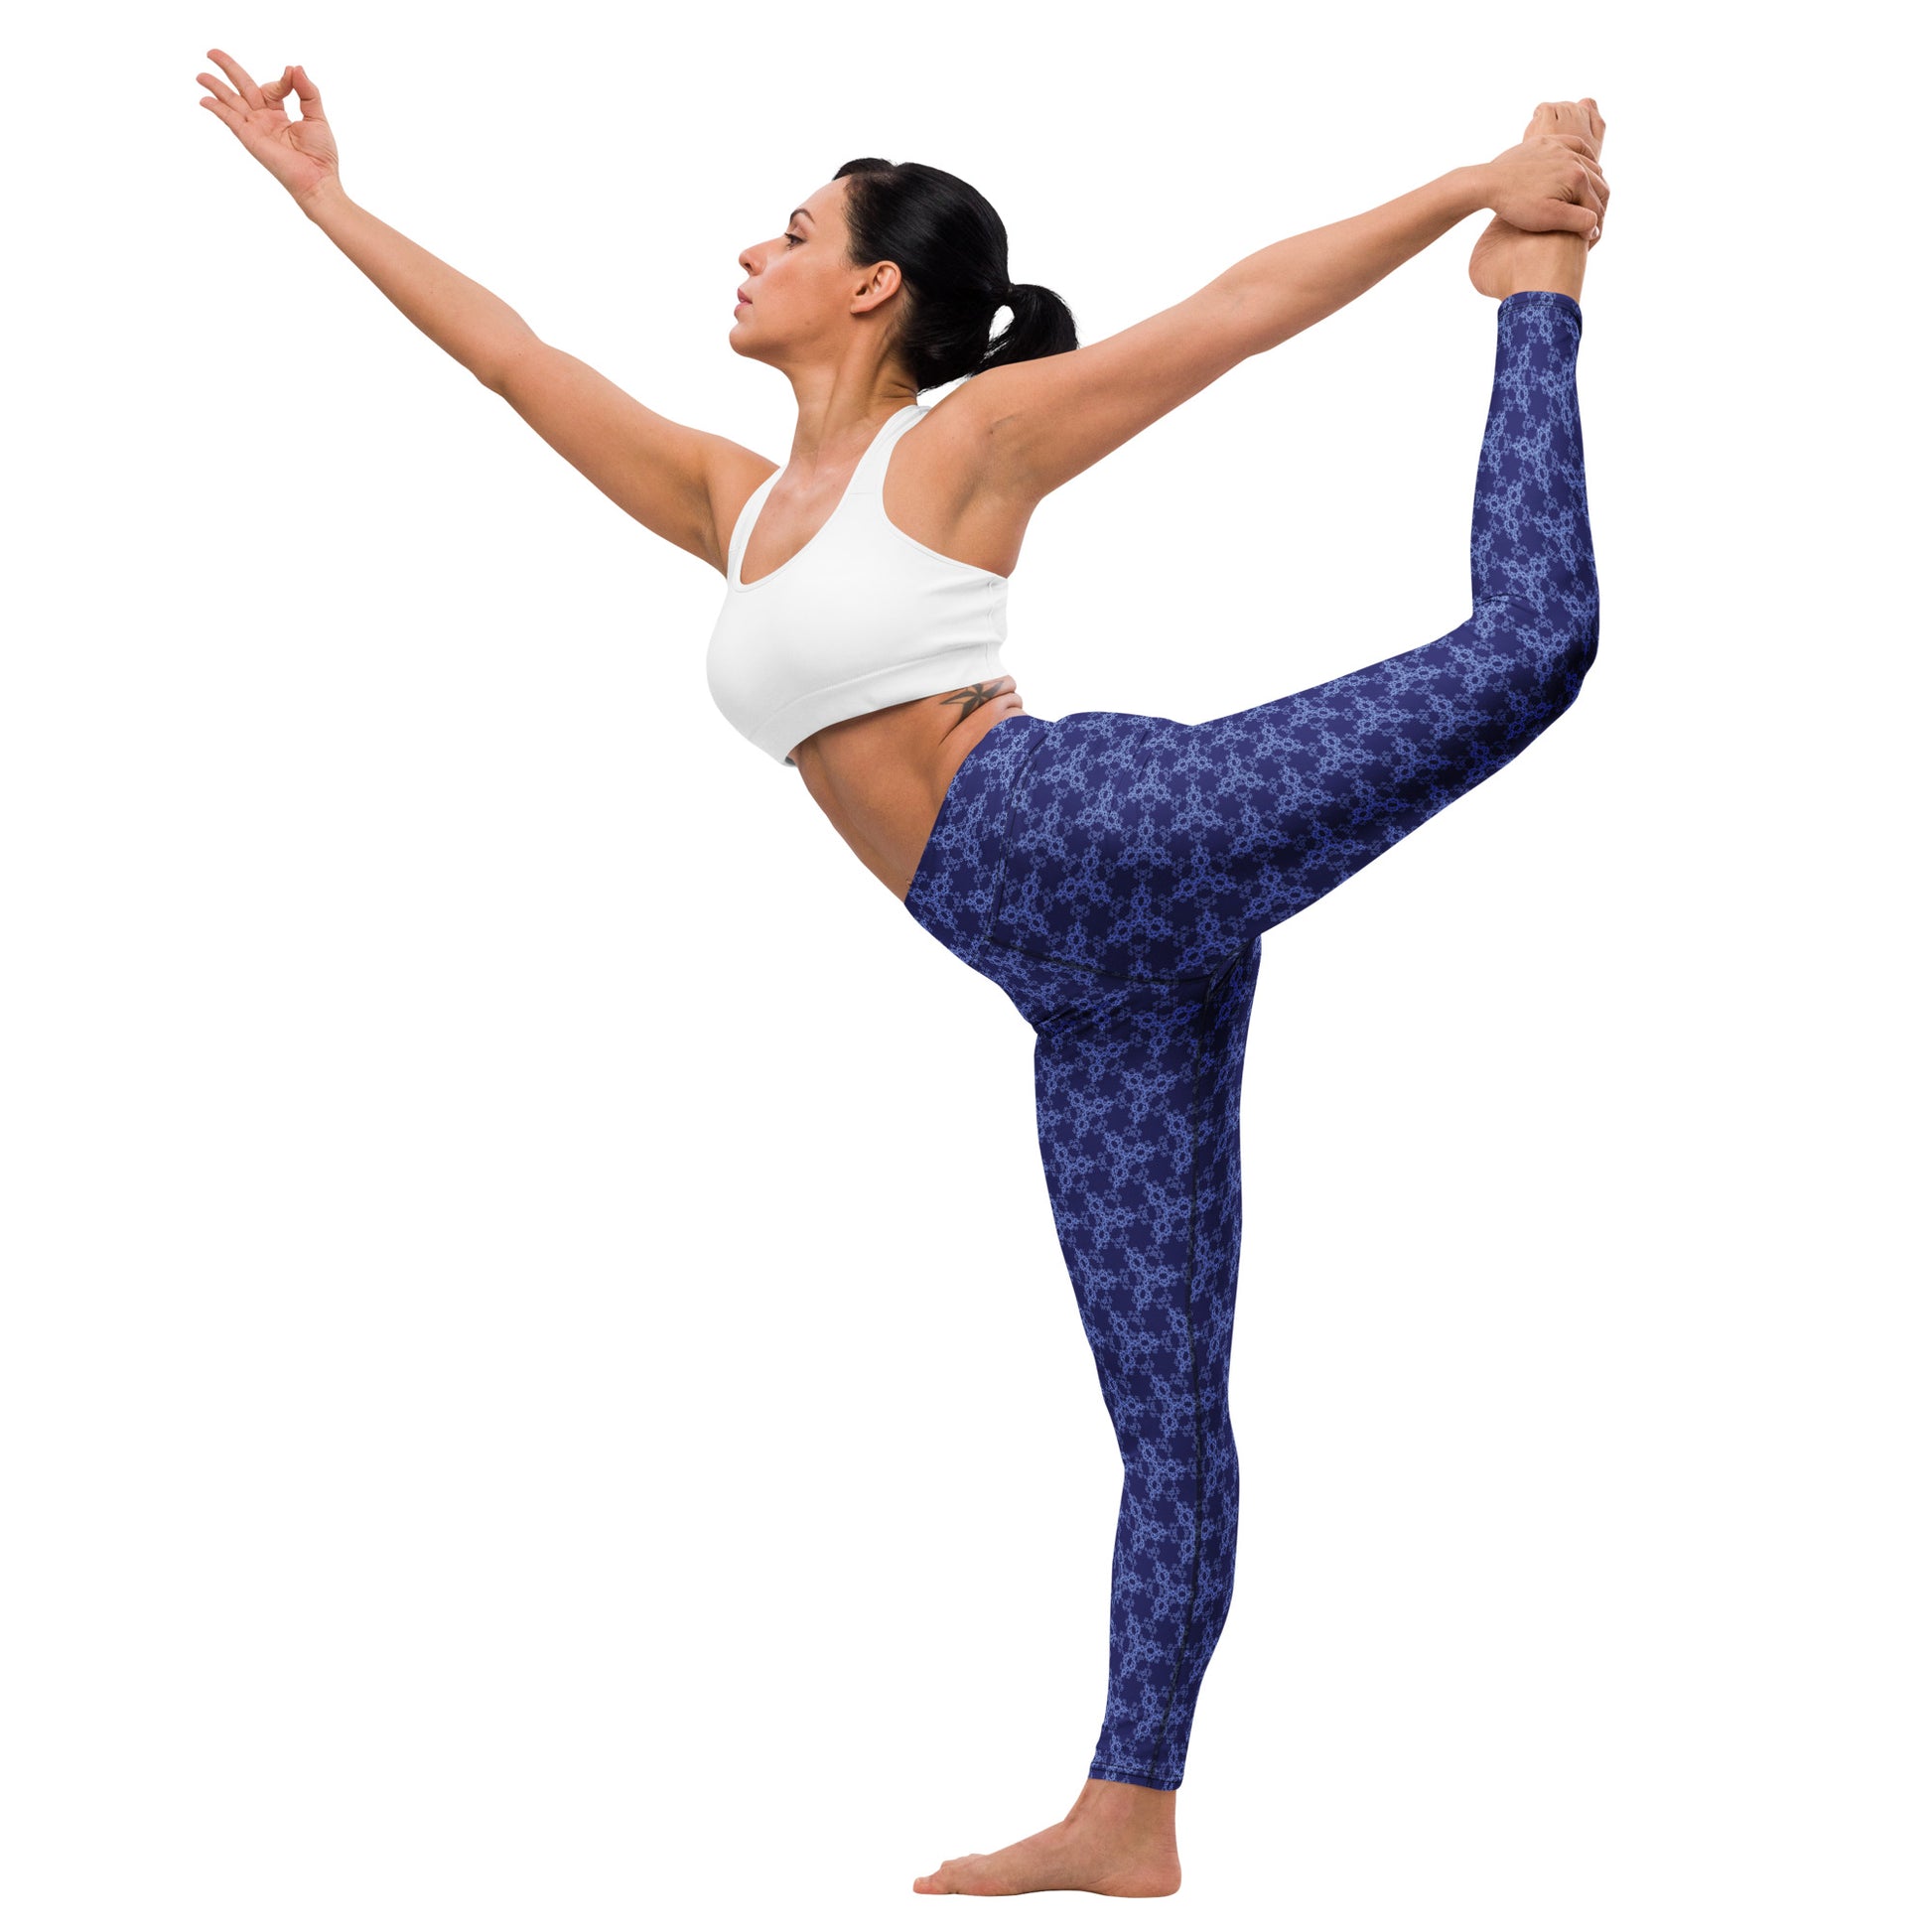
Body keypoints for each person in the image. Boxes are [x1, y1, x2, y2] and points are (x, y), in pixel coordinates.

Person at [195, 53, 1608, 1897]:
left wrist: (1470, 194)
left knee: (1532, 643)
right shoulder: (730, 499)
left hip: (1098, 832)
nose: (749, 250)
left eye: (788, 230)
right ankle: (1132, 1809)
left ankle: (1541, 293)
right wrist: (322, 199)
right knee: (1167, 1413)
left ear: (872, 285)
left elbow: (1233, 316)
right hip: (1081, 989)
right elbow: (510, 355)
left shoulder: (958, 444)